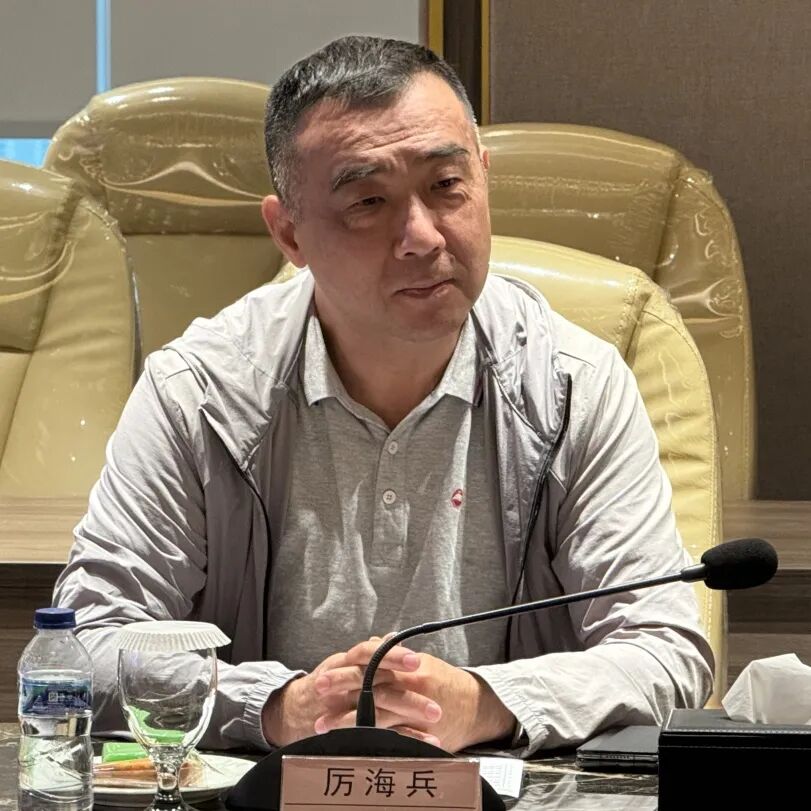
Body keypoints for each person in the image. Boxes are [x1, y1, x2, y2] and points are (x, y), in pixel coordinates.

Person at [54, 35, 713, 755]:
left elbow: (665, 652)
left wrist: (487, 702)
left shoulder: (572, 386)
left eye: (447, 185)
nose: (422, 237)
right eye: (368, 201)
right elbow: (88, 646)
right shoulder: (199, 394)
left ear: (483, 179)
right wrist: (276, 707)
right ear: (289, 233)